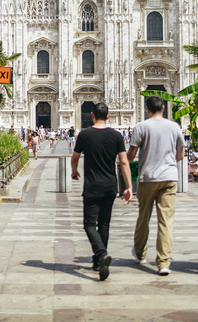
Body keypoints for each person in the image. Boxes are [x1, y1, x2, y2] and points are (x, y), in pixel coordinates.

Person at [71, 102, 132, 281]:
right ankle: (98, 261)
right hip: (110, 186)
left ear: (92, 115)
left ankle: (101, 253)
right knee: (104, 224)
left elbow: (75, 157)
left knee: (89, 224)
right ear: (108, 116)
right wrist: (128, 186)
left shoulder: (85, 134)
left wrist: (74, 171)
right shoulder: (116, 136)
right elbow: (123, 162)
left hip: (92, 186)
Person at [127, 95, 185, 275]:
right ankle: (163, 263)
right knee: (166, 221)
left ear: (147, 109)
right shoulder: (174, 126)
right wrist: (168, 164)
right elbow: (181, 153)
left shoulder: (141, 126)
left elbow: (131, 154)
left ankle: (140, 253)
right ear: (164, 108)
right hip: (169, 178)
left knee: (143, 217)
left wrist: (126, 165)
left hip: (147, 177)